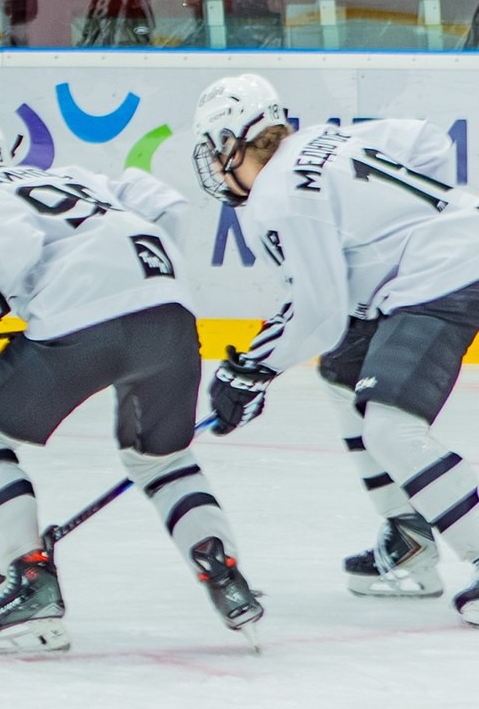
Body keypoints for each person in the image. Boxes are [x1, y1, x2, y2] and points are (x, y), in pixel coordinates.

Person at [0, 112, 261, 656]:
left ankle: (30, 580)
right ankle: (225, 575)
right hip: (170, 316)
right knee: (162, 461)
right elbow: (167, 206)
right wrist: (132, 284)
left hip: (83, 323)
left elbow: (13, 234)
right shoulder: (74, 176)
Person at [192, 74, 479, 623]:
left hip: (443, 277)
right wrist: (408, 229)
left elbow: (318, 313)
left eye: (213, 149)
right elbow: (429, 142)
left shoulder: (276, 199)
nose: (213, 163)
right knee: (343, 374)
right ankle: (409, 536)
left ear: (231, 142)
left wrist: (252, 370)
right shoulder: (326, 138)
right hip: (449, 256)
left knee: (391, 429)